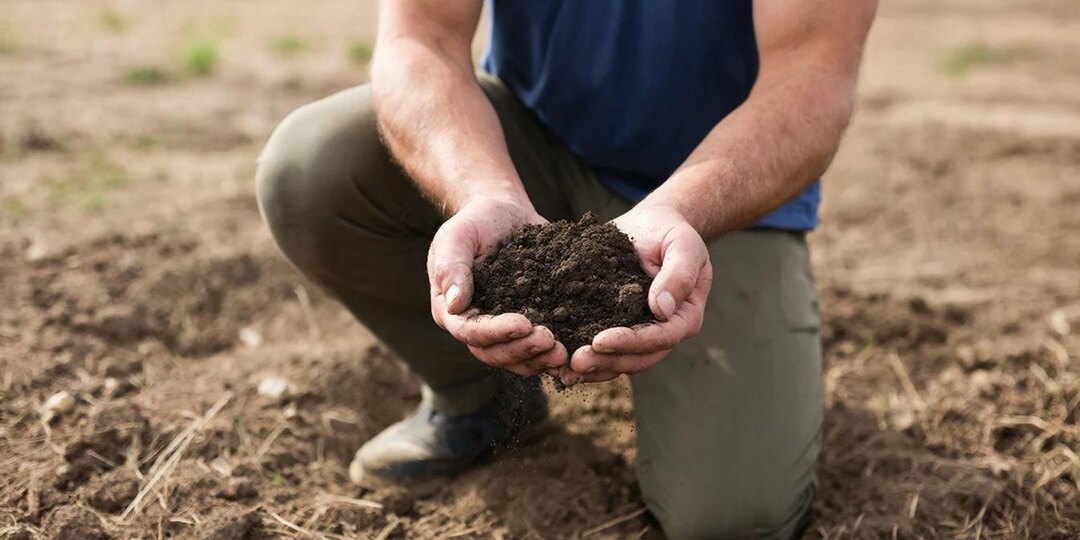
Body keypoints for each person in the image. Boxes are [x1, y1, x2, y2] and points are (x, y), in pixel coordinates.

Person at [255, 0, 877, 537]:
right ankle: (486, 402)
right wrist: (484, 193)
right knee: (312, 167)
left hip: (719, 190)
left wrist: (677, 209)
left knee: (733, 519)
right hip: (531, 144)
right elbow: (421, 36)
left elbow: (812, 75)